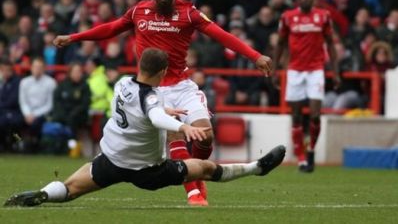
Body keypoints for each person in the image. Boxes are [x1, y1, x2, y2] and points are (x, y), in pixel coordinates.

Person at [52, 0, 273, 206]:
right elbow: (111, 28)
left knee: (206, 137)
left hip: (182, 85)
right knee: (175, 136)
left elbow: (220, 34)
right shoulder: (139, 11)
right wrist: (75, 37)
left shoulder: (189, 13)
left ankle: (198, 175)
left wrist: (255, 56)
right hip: (154, 90)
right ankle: (194, 193)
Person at [4, 48, 285, 208]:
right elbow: (154, 116)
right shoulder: (151, 98)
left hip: (110, 160)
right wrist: (182, 127)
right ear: (163, 72)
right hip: (147, 171)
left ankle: (42, 194)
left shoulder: (123, 83)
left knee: (70, 189)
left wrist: (165, 110)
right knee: (205, 168)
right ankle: (257, 168)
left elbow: (147, 109)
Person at [272, 0, 341, 173]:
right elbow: (279, 43)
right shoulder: (287, 17)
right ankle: (301, 157)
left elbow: (331, 45)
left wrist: (335, 71)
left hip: (316, 70)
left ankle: (311, 150)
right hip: (294, 70)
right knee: (295, 116)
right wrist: (275, 69)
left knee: (315, 114)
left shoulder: (324, 16)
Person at [19, 57, 57, 152]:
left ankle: (33, 145)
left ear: (44, 68)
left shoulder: (51, 83)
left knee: (37, 123)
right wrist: (27, 114)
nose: (37, 69)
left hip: (43, 114)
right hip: (26, 113)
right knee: (14, 121)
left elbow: (49, 104)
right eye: (35, 67)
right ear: (31, 68)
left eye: (40, 67)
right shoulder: (24, 82)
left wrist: (34, 115)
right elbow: (23, 101)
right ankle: (18, 144)